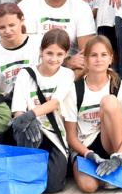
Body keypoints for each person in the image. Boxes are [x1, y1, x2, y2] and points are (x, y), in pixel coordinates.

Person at [63, 36, 122, 191]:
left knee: (109, 101)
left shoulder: (118, 86)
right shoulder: (74, 89)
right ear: (86, 60)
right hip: (86, 147)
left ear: (111, 59)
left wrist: (120, 156)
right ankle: (104, 173)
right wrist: (88, 154)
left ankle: (118, 164)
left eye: (103, 55)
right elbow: (70, 137)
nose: (99, 59)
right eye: (93, 55)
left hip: (110, 143)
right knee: (88, 187)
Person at [8, 28, 76, 167]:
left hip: (54, 132)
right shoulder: (25, 74)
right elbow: (18, 110)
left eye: (59, 54)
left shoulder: (67, 74)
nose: (54, 59)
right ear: (41, 51)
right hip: (31, 129)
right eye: (49, 53)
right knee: (28, 136)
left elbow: (54, 103)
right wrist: (26, 120)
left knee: (53, 185)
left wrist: (30, 114)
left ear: (66, 54)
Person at [18, 0, 96, 65]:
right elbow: (27, 51)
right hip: (36, 67)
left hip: (72, 70)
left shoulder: (81, 8)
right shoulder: (26, 6)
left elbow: (86, 53)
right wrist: (65, 62)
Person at [0, 4, 38, 94]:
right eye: (2, 27)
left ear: (22, 20)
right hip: (5, 105)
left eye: (12, 25)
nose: (7, 31)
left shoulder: (38, 44)